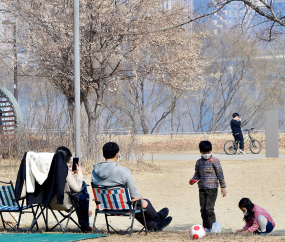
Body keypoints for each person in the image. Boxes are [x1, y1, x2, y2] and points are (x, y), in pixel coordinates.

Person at [91, 142, 172, 232]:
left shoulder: (94, 172)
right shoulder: (123, 171)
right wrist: (141, 201)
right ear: (117, 155)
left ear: (103, 155)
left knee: (136, 204)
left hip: (105, 207)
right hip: (123, 207)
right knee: (143, 203)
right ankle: (158, 218)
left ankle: (155, 224)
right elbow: (134, 193)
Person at [189, 141, 227, 232]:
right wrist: (193, 180)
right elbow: (196, 175)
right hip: (202, 189)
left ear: (211, 150)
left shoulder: (215, 161)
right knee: (203, 209)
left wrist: (223, 187)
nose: (206, 154)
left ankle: (213, 228)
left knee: (209, 209)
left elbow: (220, 174)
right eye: (204, 153)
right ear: (200, 152)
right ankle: (205, 227)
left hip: (212, 189)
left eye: (208, 152)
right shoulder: (199, 162)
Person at [55, 147, 92, 232]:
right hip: (63, 203)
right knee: (83, 188)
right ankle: (85, 223)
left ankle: (85, 218)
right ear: (67, 159)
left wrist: (70, 174)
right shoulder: (65, 171)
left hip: (49, 202)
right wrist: (79, 173)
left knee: (81, 193)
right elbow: (77, 189)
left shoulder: (48, 169)